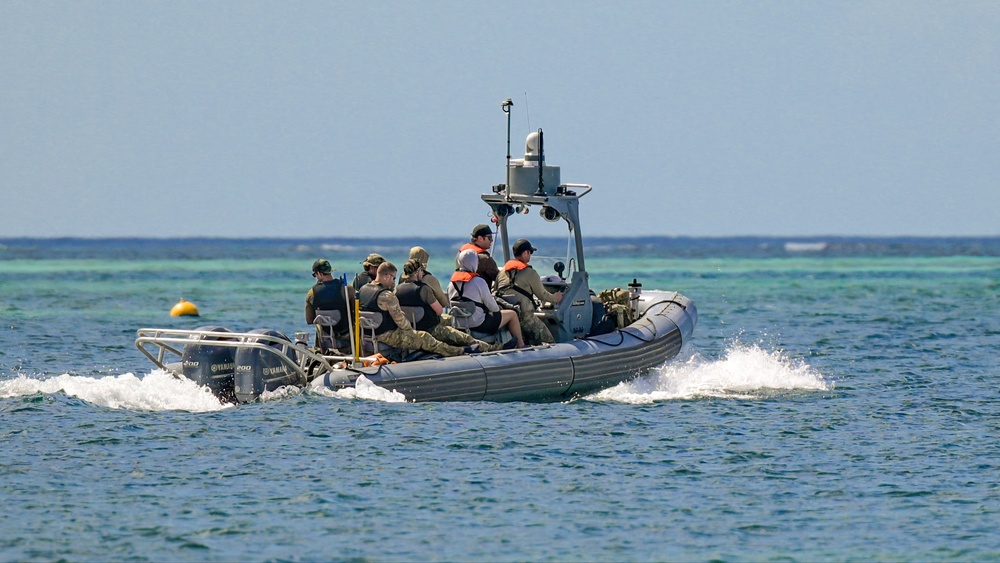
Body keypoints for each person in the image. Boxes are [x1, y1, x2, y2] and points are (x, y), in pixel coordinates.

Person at [359, 261, 470, 357]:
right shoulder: (387, 295)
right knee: (424, 337)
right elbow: (402, 323)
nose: (393, 282)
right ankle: (457, 351)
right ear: (387, 276)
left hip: (366, 334)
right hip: (386, 335)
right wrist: (413, 333)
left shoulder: (363, 289)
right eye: (393, 278)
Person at [396, 258, 498, 352]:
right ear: (418, 271)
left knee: (449, 319)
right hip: (431, 329)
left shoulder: (398, 289)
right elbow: (439, 310)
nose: (422, 274)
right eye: (422, 271)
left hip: (413, 328)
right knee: (464, 337)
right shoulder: (423, 289)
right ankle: (493, 348)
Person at [449, 249, 525, 348]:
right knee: (512, 314)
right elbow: (494, 308)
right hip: (478, 325)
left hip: (459, 325)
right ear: (475, 263)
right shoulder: (478, 282)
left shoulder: (451, 284)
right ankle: (521, 345)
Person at [495, 239, 563, 345]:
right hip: (525, 317)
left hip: (508, 317)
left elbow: (496, 291)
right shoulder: (530, 273)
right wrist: (556, 298)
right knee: (549, 341)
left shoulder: (502, 273)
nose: (530, 255)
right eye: (530, 252)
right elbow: (542, 295)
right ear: (525, 252)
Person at [305, 259, 351, 349]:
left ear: (319, 273)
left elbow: (309, 320)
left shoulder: (312, 292)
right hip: (346, 335)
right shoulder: (346, 288)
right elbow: (353, 311)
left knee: (319, 324)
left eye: (315, 275)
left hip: (325, 338)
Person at [459, 224, 500, 290]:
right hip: (480, 297)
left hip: (462, 294)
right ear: (480, 238)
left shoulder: (461, 254)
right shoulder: (485, 259)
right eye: (489, 238)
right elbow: (499, 278)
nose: (491, 240)